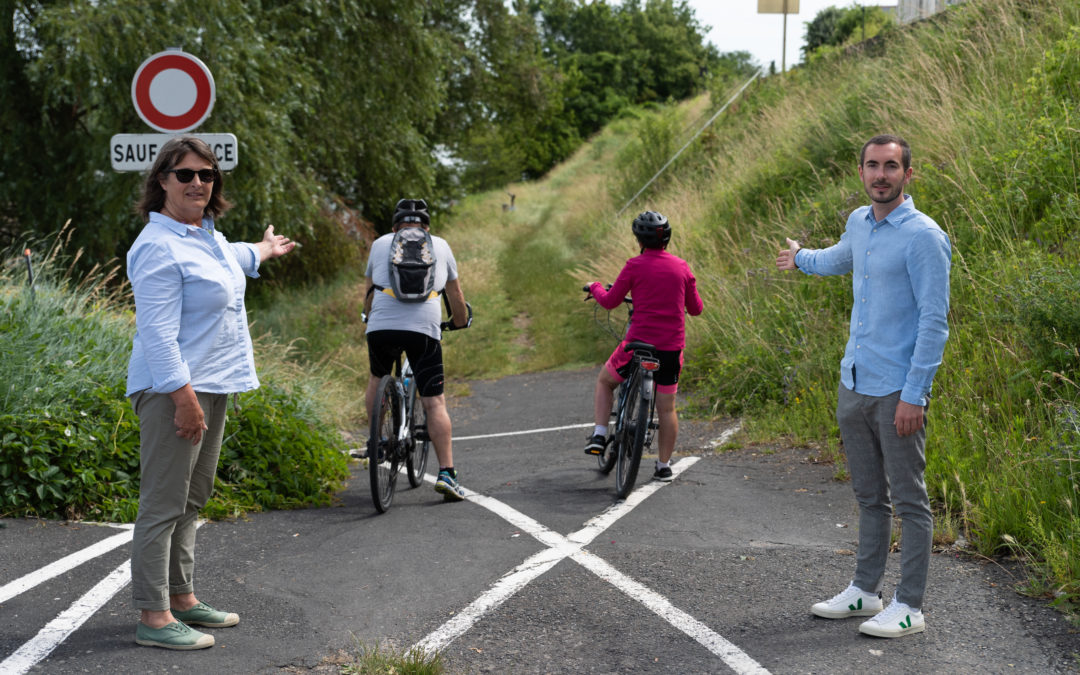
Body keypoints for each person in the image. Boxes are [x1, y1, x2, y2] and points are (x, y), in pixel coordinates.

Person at [775, 134, 951, 638]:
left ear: (908, 175)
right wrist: (802, 258)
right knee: (870, 496)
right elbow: (841, 257)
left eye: (891, 166)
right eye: (872, 165)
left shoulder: (924, 236)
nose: (881, 175)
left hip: (898, 390)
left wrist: (916, 393)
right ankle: (865, 593)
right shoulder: (859, 221)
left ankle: (910, 606)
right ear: (861, 171)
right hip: (854, 380)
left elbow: (934, 322)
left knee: (910, 499)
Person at [126, 136, 296, 650]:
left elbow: (237, 259)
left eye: (207, 174)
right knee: (163, 502)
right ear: (162, 181)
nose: (198, 182)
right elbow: (157, 335)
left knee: (193, 498)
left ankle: (182, 598)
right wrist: (182, 398)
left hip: (214, 385)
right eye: (185, 175)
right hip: (174, 389)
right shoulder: (156, 246)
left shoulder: (208, 239)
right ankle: (153, 617)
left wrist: (266, 248)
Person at [583, 211, 704, 481]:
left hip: (637, 345)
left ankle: (600, 434)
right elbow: (696, 309)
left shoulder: (634, 265)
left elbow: (611, 301)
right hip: (670, 350)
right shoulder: (682, 267)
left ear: (639, 239)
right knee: (667, 408)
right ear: (667, 238)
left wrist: (595, 287)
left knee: (605, 382)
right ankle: (663, 465)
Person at [363, 198, 470, 500]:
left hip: (382, 327)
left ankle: (378, 440)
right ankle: (447, 474)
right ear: (426, 226)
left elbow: (369, 292)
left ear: (395, 227)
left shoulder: (380, 243)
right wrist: (460, 322)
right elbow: (455, 293)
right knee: (434, 402)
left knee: (377, 377)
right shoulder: (440, 246)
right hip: (423, 329)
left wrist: (369, 317)